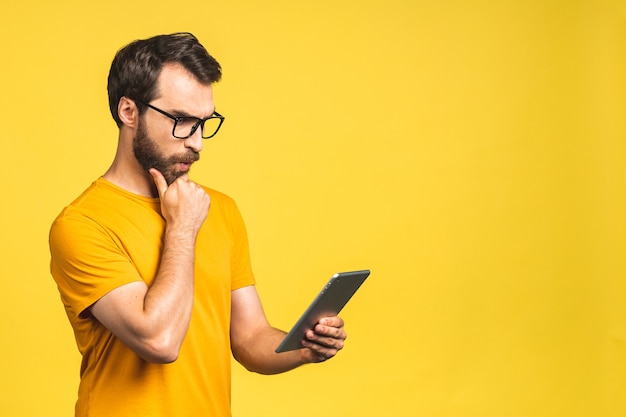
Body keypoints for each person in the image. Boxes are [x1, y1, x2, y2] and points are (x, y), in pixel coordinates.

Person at [49, 32, 347, 417]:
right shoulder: (82, 224)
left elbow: (250, 338)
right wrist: (182, 228)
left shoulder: (219, 209)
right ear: (128, 111)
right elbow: (158, 340)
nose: (198, 142)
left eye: (205, 123)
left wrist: (302, 348)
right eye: (182, 121)